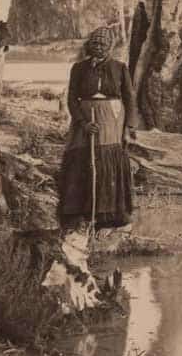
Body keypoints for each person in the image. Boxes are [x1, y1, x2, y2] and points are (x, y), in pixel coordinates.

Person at [58, 27, 137, 231]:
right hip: (84, 119)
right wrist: (83, 122)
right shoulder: (78, 68)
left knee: (106, 158)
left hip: (111, 119)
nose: (98, 48)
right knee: (80, 157)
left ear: (110, 47)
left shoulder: (120, 68)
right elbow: (72, 98)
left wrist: (128, 128)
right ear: (89, 46)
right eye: (95, 44)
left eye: (103, 45)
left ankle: (108, 215)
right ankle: (80, 212)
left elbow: (129, 99)